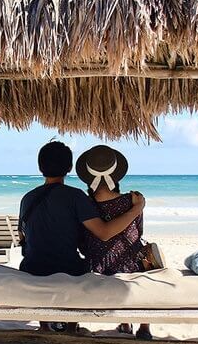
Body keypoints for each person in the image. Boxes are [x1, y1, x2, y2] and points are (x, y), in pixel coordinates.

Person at [18, 141, 145, 333]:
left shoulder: (27, 198)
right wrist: (137, 209)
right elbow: (104, 232)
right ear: (69, 168)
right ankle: (71, 326)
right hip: (66, 268)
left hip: (32, 268)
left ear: (40, 167)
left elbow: (23, 235)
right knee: (78, 264)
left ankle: (45, 325)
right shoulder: (75, 197)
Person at [76, 144, 164, 340]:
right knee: (139, 252)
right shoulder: (132, 202)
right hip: (130, 266)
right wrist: (137, 208)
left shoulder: (84, 204)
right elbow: (138, 232)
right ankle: (144, 327)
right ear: (116, 175)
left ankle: (125, 323)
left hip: (96, 265)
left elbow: (82, 239)